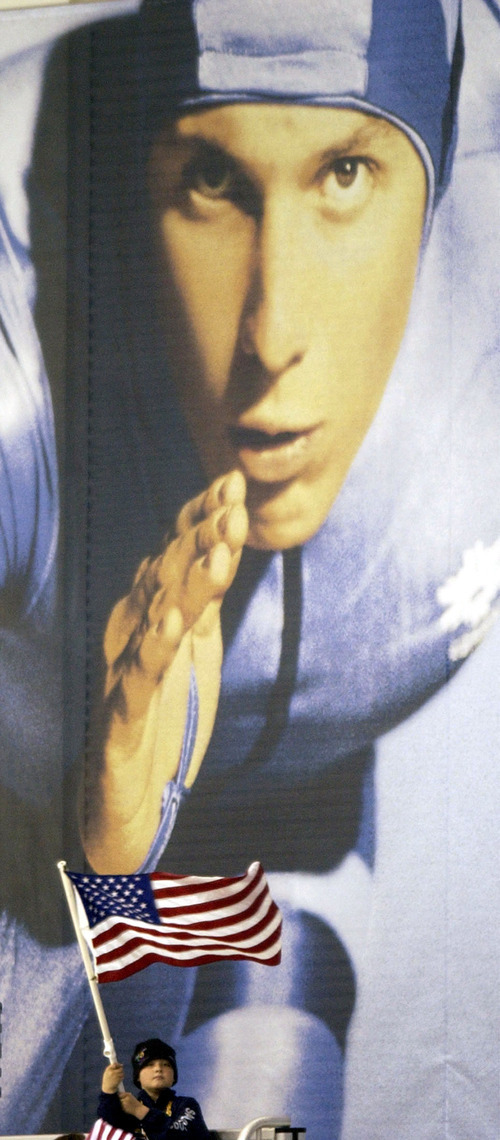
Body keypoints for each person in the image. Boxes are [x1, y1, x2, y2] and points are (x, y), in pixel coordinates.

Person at [98, 1038, 209, 1138]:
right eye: (150, 1064)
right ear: (138, 1076)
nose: (158, 1069)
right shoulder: (127, 1110)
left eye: (166, 1064)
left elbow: (180, 1136)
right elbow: (108, 1129)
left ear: (174, 1077)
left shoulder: (187, 1105)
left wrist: (140, 1111)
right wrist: (107, 1092)